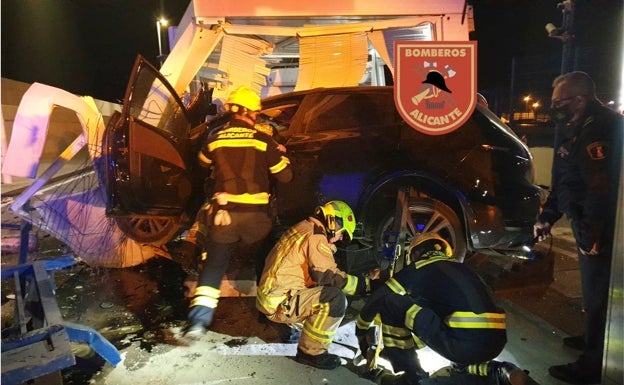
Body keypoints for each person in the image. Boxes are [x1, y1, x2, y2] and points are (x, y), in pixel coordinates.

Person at [533, 71, 623, 384]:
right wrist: (548, 216)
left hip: (602, 227)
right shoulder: (575, 125)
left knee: (599, 296)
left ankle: (594, 365)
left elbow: (601, 187)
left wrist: (592, 233)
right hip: (585, 220)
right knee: (593, 293)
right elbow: (566, 179)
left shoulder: (602, 128)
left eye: (559, 102)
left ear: (580, 99)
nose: (553, 107)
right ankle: (593, 340)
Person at [184, 85, 294, 336]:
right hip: (257, 219)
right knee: (266, 262)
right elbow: (286, 177)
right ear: (249, 112)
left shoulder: (214, 137)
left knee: (213, 267)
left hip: (224, 216)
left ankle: (199, 321)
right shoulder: (263, 140)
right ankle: (273, 318)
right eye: (255, 112)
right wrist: (282, 155)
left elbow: (202, 163)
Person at [355, 233, 528, 385]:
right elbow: (430, 320)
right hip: (494, 343)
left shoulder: (420, 267)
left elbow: (380, 298)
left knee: (391, 303)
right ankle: (505, 373)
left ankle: (411, 375)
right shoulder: (463, 270)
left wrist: (361, 330)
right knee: (462, 365)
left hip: (462, 345)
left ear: (416, 253)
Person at [256, 200, 380, 370]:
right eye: (342, 233)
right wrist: (364, 285)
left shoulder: (303, 227)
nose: (339, 239)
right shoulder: (316, 236)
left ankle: (290, 329)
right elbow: (327, 275)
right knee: (334, 299)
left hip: (272, 296)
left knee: (319, 290)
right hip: (281, 302)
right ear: (333, 221)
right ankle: (310, 353)